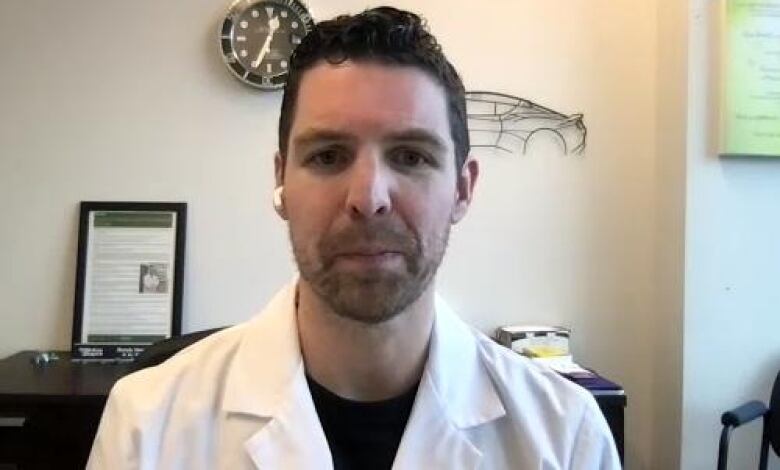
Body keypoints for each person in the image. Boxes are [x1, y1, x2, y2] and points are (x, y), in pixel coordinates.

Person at [87, 6, 620, 470]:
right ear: (281, 181)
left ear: (463, 188)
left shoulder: (565, 439)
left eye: (410, 156)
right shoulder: (146, 425)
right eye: (328, 156)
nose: (368, 197)